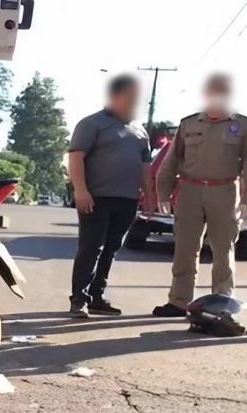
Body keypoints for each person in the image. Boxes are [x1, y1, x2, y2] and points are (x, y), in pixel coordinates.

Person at [152, 74, 247, 318]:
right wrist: (164, 191)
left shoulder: (243, 126)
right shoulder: (189, 124)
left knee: (224, 249)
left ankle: (222, 301)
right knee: (185, 248)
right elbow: (171, 161)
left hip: (224, 191)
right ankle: (179, 301)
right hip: (189, 191)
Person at [67, 74, 155, 319]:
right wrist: (80, 190)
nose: (136, 102)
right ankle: (79, 299)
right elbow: (76, 157)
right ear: (115, 96)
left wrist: (148, 197)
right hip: (96, 198)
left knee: (111, 249)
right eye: (131, 96)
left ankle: (97, 297)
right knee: (91, 247)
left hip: (126, 200)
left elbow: (145, 166)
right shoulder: (92, 123)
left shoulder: (139, 130)